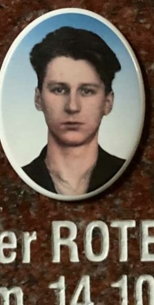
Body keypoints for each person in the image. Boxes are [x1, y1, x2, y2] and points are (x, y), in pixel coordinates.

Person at [21, 26, 125, 197]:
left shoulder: (125, 174)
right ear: (38, 99)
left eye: (87, 91)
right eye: (59, 90)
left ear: (108, 102)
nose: (72, 107)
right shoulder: (21, 178)